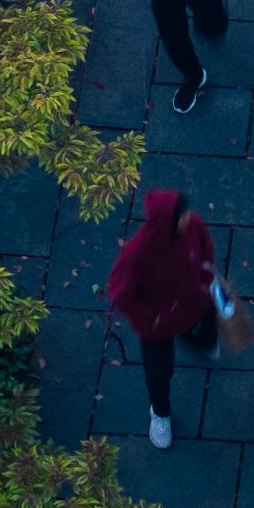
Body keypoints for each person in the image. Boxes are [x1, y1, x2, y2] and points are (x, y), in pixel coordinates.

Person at [103, 185, 226, 451]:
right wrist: (152, 318)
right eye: (181, 215)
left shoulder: (192, 225)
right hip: (157, 325)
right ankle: (160, 413)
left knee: (205, 327)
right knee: (159, 372)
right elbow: (119, 291)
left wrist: (206, 271)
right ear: (167, 223)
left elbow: (205, 245)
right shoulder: (137, 254)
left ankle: (203, 342)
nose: (188, 218)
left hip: (192, 302)